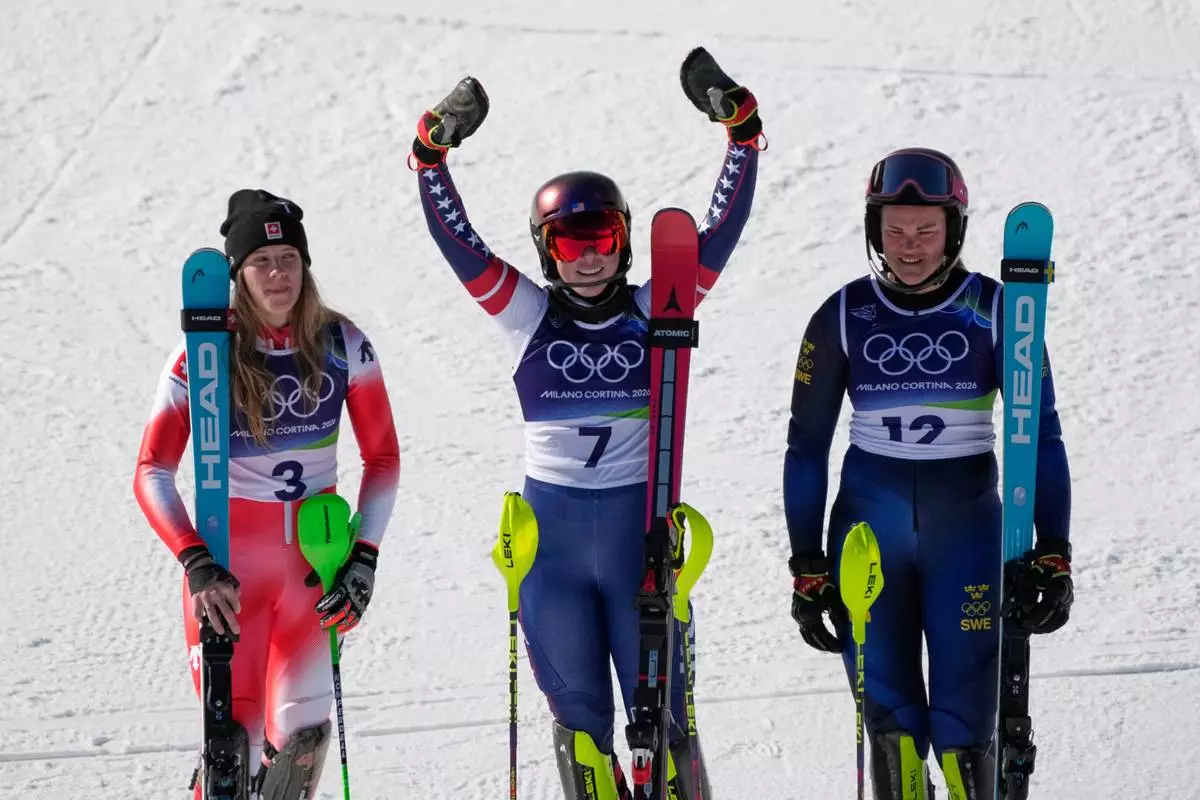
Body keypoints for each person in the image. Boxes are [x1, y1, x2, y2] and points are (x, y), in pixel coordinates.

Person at [409, 48, 762, 800]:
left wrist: (742, 135)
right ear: (547, 250)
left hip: (642, 548)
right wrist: (429, 156)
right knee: (581, 740)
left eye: (601, 239)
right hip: (554, 555)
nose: (589, 259)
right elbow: (457, 244)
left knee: (663, 732)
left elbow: (719, 231)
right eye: (571, 243)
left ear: (625, 240)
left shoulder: (657, 307)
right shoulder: (525, 316)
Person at [782, 149, 1074, 799]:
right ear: (872, 229)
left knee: (965, 734)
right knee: (892, 735)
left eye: (925, 230)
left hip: (967, 537)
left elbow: (1040, 436)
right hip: (866, 534)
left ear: (955, 230)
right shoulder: (841, 316)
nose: (909, 247)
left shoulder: (1001, 312)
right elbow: (805, 447)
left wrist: (1053, 553)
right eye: (894, 230)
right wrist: (807, 566)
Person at [133, 190, 400, 799]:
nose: (278, 274)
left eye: (288, 258)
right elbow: (151, 469)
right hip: (230, 583)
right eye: (260, 261)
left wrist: (364, 557)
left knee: (302, 744)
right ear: (237, 274)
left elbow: (383, 458)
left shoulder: (344, 345)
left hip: (313, 575)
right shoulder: (204, 354)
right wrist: (196, 563)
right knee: (233, 746)